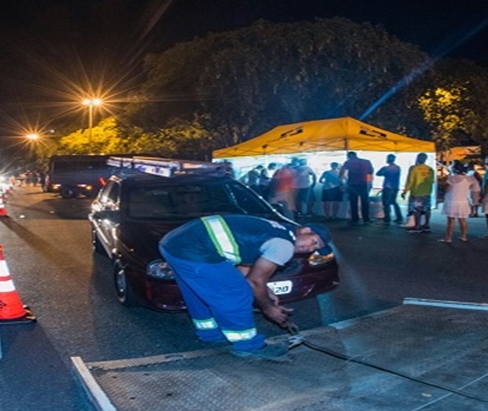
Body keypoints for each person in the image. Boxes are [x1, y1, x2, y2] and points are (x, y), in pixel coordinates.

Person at [158, 215, 333, 359]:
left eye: (315, 247)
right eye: (314, 241)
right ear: (305, 230)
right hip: (195, 249)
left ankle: (209, 334)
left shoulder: (280, 229)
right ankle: (248, 345)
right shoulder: (284, 245)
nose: (309, 248)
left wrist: (266, 290)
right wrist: (268, 308)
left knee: (198, 291)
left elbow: (247, 267)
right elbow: (254, 282)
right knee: (236, 293)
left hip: (175, 242)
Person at [438, 161, 479, 243]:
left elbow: (447, 189)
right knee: (462, 220)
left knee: (451, 220)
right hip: (463, 201)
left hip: (452, 200)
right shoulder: (469, 178)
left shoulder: (452, 178)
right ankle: (464, 236)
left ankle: (448, 238)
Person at [401, 153, 435, 233]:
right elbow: (432, 181)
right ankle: (426, 225)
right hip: (427, 192)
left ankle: (418, 226)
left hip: (417, 192)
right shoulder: (430, 169)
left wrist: (405, 191)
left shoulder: (414, 169)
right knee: (427, 209)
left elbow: (410, 181)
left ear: (418, 158)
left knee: (417, 210)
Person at [339, 151, 374, 225]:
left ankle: (355, 219)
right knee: (365, 202)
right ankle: (366, 219)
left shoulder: (348, 162)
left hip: (352, 184)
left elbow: (342, 173)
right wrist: (370, 183)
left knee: (353, 202)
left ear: (349, 156)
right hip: (364, 183)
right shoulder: (366, 162)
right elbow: (370, 172)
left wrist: (341, 183)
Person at [375, 154, 403, 225]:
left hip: (388, 187)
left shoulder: (386, 168)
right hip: (395, 187)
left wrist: (383, 169)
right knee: (394, 202)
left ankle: (387, 219)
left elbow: (378, 173)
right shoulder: (397, 168)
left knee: (386, 203)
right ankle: (399, 217)